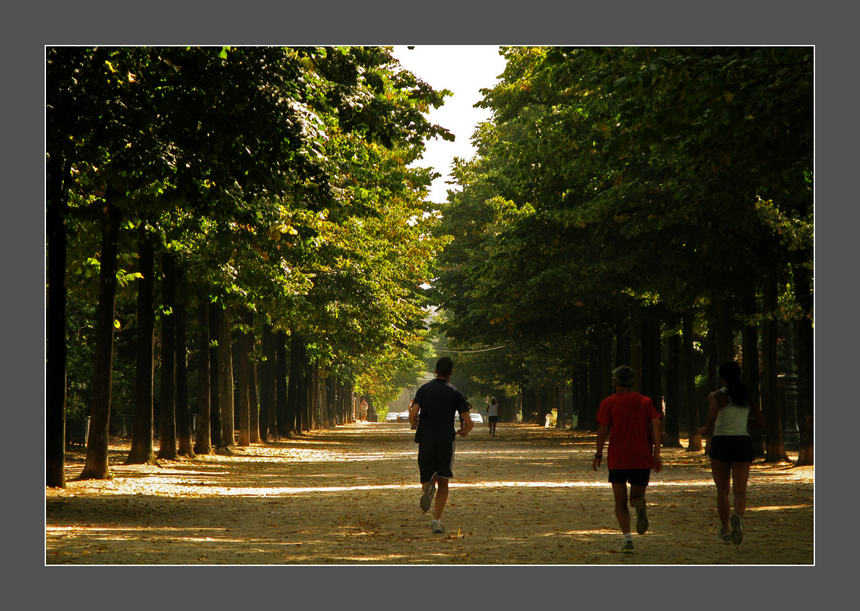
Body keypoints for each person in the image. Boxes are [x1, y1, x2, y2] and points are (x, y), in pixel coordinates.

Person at [592, 365, 663, 553]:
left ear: (614, 382)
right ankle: (639, 505)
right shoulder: (645, 402)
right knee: (637, 497)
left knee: (620, 502)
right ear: (632, 382)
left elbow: (602, 430)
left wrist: (598, 454)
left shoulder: (609, 402)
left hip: (618, 458)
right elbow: (656, 422)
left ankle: (628, 539)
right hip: (641, 456)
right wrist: (656, 453)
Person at [699, 360, 765, 545]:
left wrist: (707, 429)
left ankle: (726, 528)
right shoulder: (746, 396)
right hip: (742, 442)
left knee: (722, 491)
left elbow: (712, 417)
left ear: (722, 377)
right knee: (740, 491)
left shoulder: (717, 396)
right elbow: (760, 420)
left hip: (721, 442)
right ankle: (738, 517)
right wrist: (746, 421)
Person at [408, 357, 473, 533]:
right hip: (446, 440)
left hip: (426, 439)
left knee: (427, 477)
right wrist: (464, 431)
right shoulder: (456, 393)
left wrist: (414, 424)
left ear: (436, 371)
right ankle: (436, 520)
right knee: (444, 480)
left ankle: (429, 488)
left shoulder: (424, 389)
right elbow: (468, 421)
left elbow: (413, 414)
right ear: (451, 372)